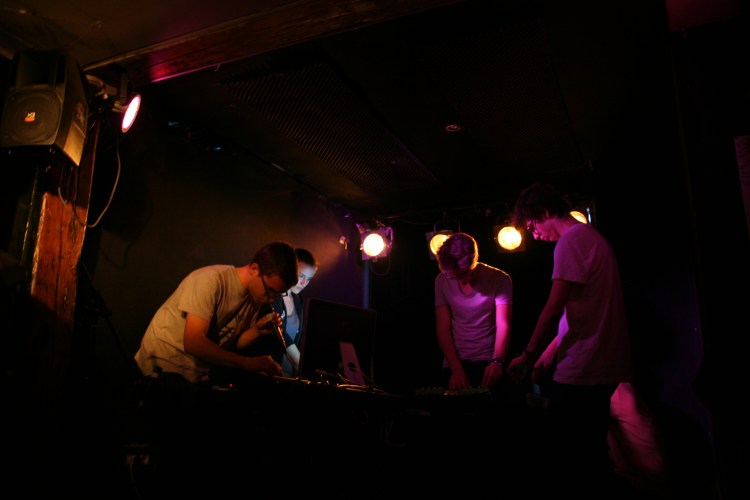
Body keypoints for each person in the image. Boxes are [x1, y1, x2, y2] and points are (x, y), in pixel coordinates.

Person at [506, 182, 633, 498]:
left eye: (533, 226)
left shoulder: (571, 242)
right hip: (600, 363)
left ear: (546, 212)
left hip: (586, 366)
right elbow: (579, 311)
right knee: (590, 453)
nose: (535, 235)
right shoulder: (589, 238)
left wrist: (528, 354)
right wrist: (548, 353)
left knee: (573, 459)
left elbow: (553, 308)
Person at [134, 240, 298, 386]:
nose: (271, 299)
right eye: (270, 291)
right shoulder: (211, 280)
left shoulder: (254, 298)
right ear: (255, 269)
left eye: (277, 295)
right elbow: (193, 342)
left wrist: (256, 330)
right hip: (162, 366)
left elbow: (233, 342)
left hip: (193, 373)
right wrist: (246, 363)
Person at [434, 232, 513, 390]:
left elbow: (503, 324)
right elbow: (443, 328)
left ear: (474, 259)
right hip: (454, 361)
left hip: (487, 359)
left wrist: (497, 362)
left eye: (465, 274)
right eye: (454, 276)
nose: (461, 280)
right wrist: (456, 369)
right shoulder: (441, 281)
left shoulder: (499, 279)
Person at [275, 248, 318, 377]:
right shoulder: (274, 297)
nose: (304, 283)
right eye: (301, 276)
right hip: (272, 372)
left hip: (290, 375)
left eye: (309, 279)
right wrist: (304, 368)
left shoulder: (298, 300)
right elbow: (281, 334)